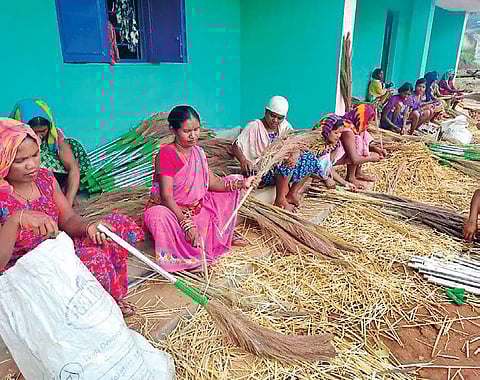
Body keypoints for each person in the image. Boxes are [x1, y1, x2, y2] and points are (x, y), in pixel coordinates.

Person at [0, 118, 143, 317]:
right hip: (27, 268)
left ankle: (110, 299)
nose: (31, 165)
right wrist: (16, 220)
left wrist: (89, 227)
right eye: (20, 160)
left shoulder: (44, 178)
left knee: (111, 230)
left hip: (58, 250)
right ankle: (95, 311)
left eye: (35, 155)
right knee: (94, 260)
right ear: (3, 159)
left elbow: (67, 219)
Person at [143, 105, 253, 273]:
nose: (193, 135)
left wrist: (241, 184)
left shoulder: (198, 152)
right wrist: (185, 224)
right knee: (157, 215)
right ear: (173, 130)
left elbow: (213, 183)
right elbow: (166, 196)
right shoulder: (166, 154)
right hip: (174, 213)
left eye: (196, 129)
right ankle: (186, 260)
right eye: (187, 131)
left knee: (235, 179)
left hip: (196, 209)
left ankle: (217, 238)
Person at [233, 96, 321, 211]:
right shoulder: (254, 126)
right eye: (272, 116)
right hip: (260, 170)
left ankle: (292, 194)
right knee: (283, 161)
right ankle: (280, 199)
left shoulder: (285, 126)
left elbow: (295, 143)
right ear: (266, 112)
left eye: (280, 118)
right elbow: (235, 145)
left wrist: (295, 154)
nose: (275, 121)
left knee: (310, 158)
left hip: (279, 170)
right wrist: (243, 160)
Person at [11, 98, 91, 206]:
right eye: (34, 132)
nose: (39, 136)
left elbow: (73, 168)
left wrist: (68, 203)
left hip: (56, 187)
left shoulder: (54, 137)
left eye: (43, 131)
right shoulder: (10, 140)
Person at [341, 104, 386, 185]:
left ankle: (357, 173)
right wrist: (371, 158)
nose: (367, 126)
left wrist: (376, 149)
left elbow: (361, 145)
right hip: (341, 157)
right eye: (366, 122)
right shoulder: (347, 131)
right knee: (358, 140)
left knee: (363, 135)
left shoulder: (354, 124)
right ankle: (350, 177)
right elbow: (354, 159)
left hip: (350, 151)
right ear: (361, 119)